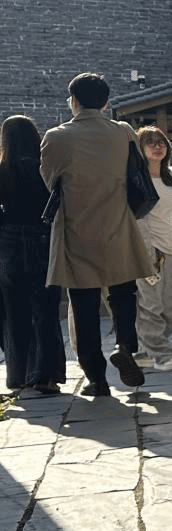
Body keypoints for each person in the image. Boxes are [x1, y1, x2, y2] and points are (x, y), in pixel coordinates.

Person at [40, 72, 154, 397]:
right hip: (118, 223)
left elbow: (50, 180)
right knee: (123, 294)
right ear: (105, 103)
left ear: (74, 101)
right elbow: (136, 173)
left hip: (77, 229)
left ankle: (97, 379)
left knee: (84, 304)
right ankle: (125, 345)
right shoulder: (123, 132)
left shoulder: (56, 137)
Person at [0, 115, 66, 395]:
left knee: (14, 311)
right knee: (46, 309)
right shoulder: (44, 169)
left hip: (8, 243)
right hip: (43, 238)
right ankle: (46, 375)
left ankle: (18, 375)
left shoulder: (3, 170)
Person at [132, 126, 172, 372]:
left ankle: (145, 350)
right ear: (141, 149)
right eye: (150, 142)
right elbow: (137, 219)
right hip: (147, 251)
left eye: (161, 142)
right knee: (151, 307)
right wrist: (145, 252)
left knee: (171, 312)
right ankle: (163, 354)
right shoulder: (136, 179)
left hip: (171, 251)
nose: (157, 146)